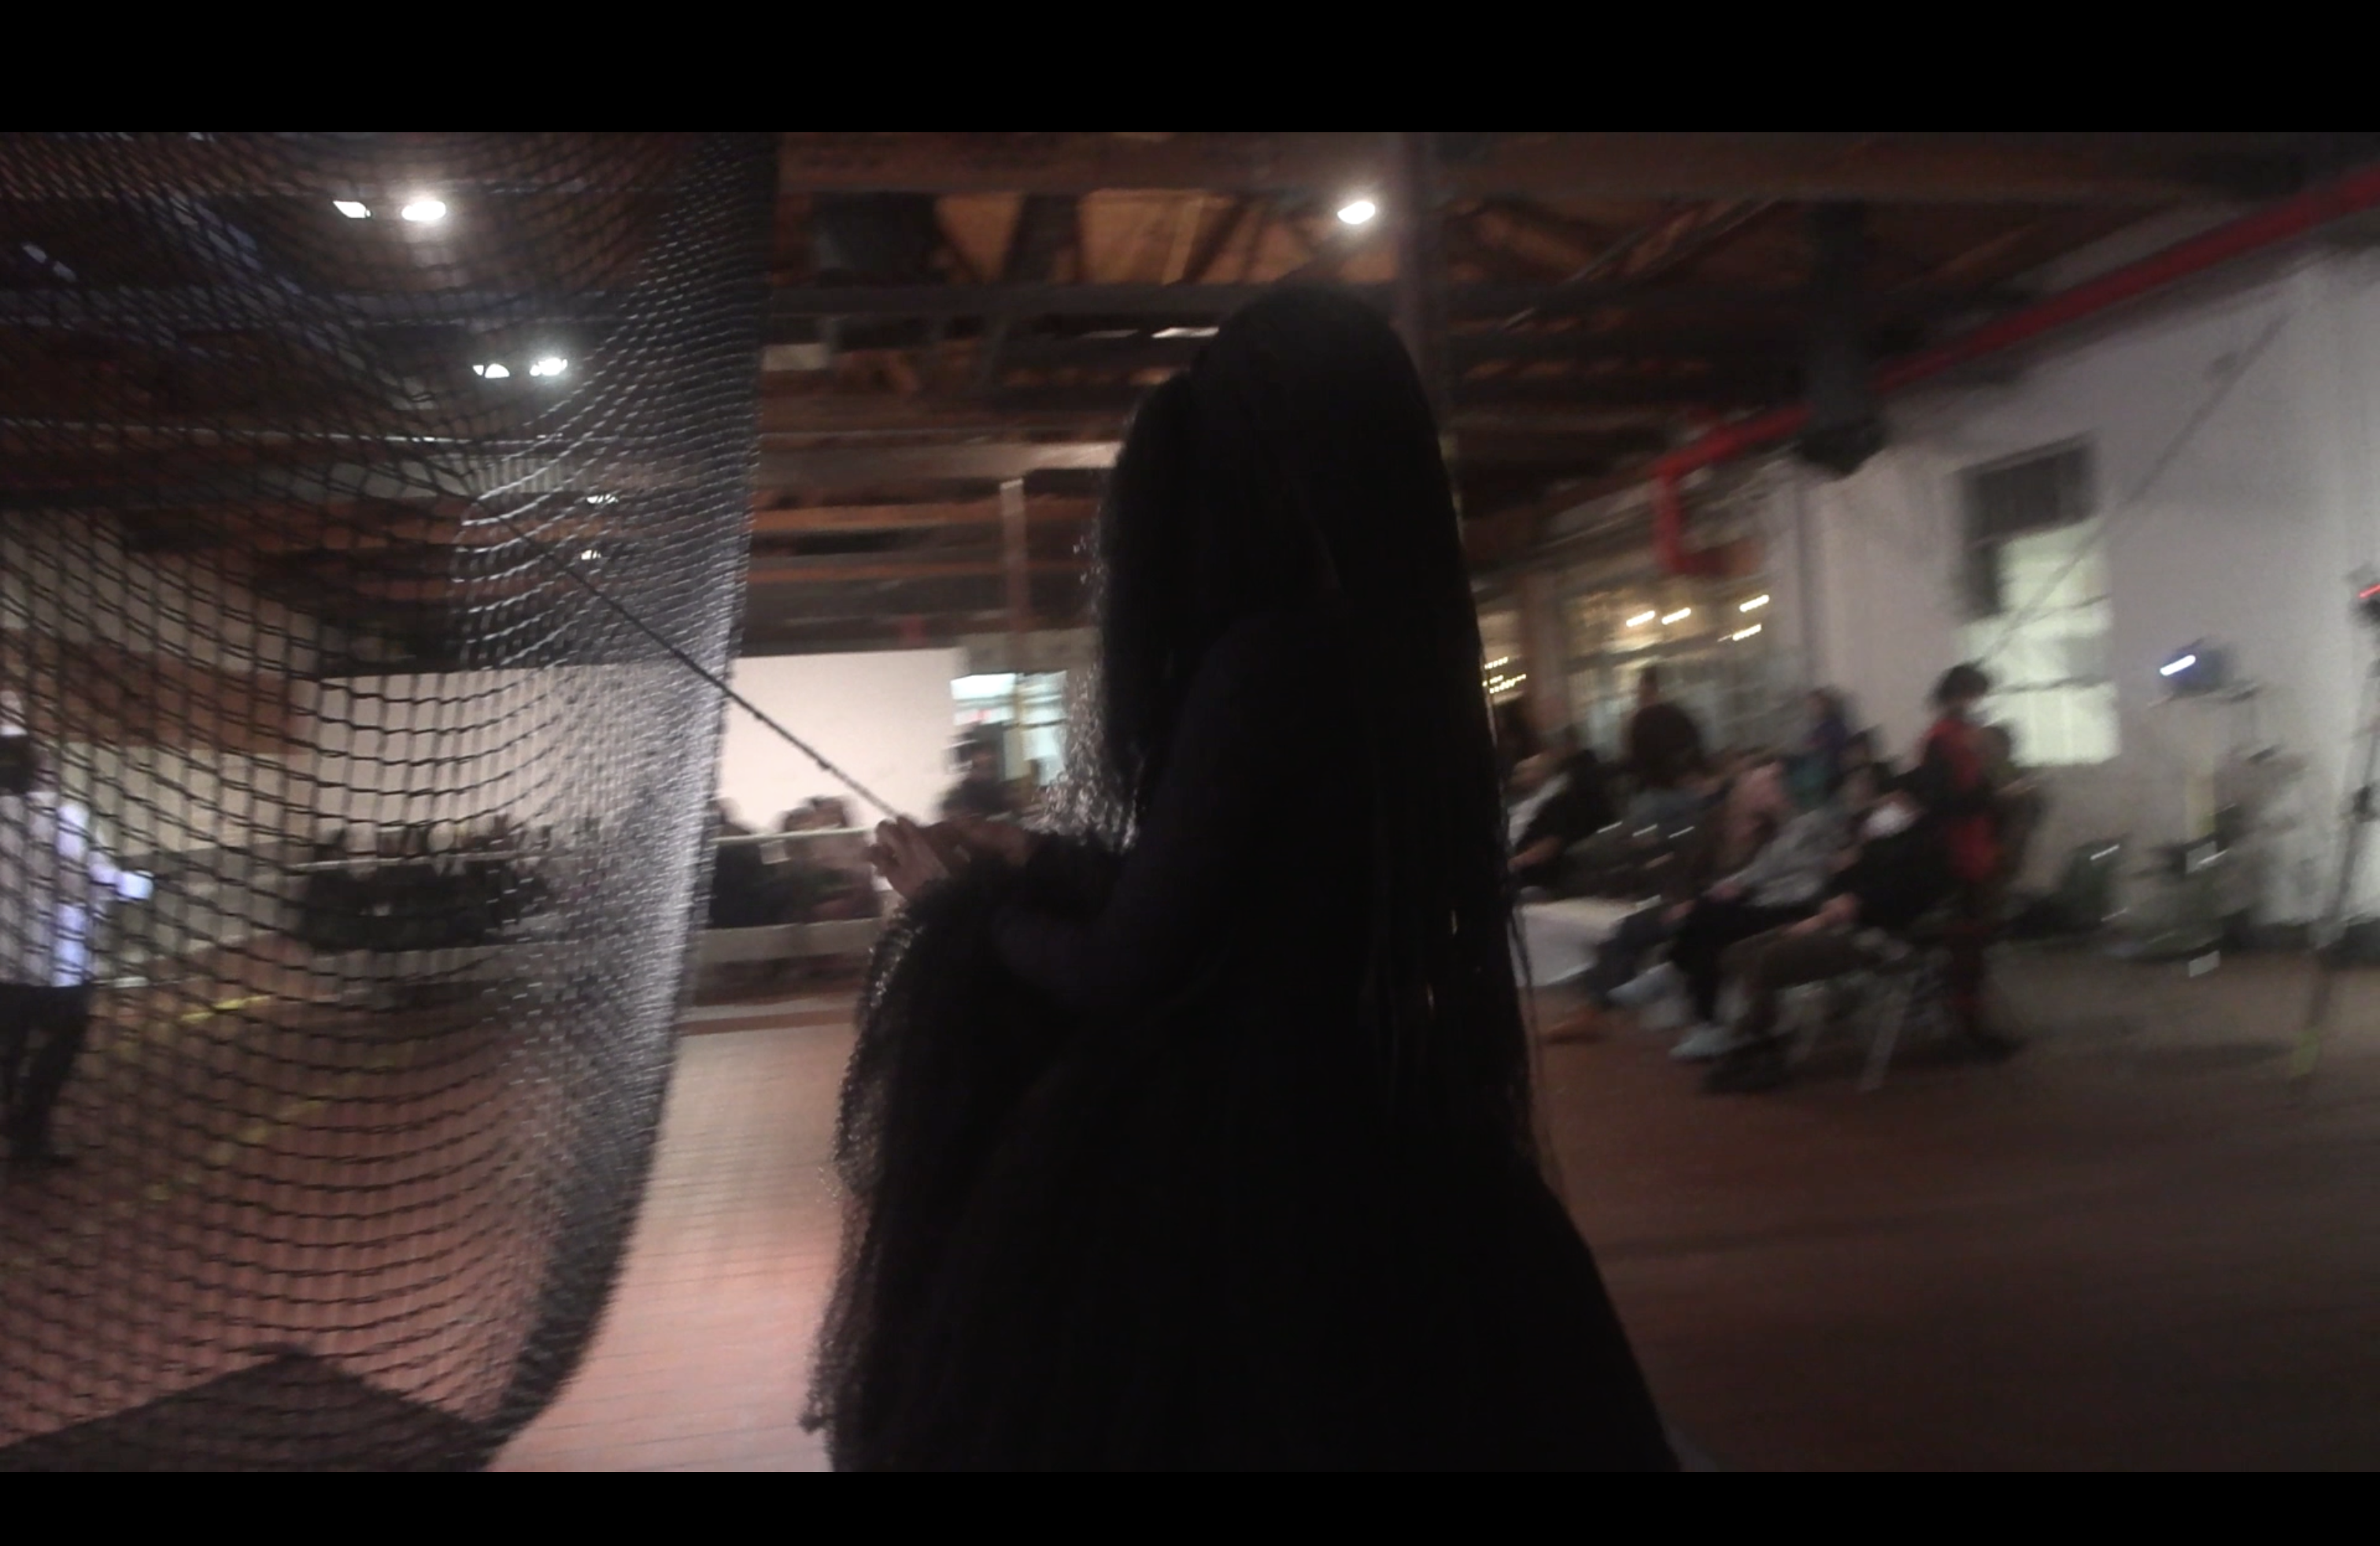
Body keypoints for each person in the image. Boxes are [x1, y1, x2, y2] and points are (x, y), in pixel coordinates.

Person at [818, 289, 1674, 1471]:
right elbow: (1257, 897)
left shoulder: (1265, 663)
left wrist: (954, 906)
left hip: (1245, 1169)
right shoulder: (1393, 659)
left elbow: (1128, 967)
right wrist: (1038, 856)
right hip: (1387, 1133)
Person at [1700, 772, 1955, 1094]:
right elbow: (1839, 884)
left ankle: (1761, 1049)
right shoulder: (1879, 842)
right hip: (1835, 922)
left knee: (1768, 960)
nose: (1886, 808)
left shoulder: (1929, 851)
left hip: (1874, 937)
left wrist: (1843, 908)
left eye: (1895, 802)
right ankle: (1754, 1038)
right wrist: (1845, 874)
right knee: (1737, 955)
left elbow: (1900, 902)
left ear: (1915, 806)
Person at [1661, 761, 1880, 1060]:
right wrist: (1729, 887)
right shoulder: (1786, 827)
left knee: (1708, 917)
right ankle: (1703, 1013)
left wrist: (1733, 886)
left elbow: (1817, 863)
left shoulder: (1810, 823)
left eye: (1767, 788)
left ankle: (1690, 993)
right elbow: (1764, 868)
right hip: (1776, 900)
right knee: (1707, 916)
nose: (1761, 795)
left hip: (1801, 905)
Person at [0, 738, 150, 1168]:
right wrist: (141, 884)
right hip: (55, 965)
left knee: (8, 1048)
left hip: (3, 965)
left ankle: (17, 1120)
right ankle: (29, 1132)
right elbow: (87, 880)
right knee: (60, 1044)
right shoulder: (60, 817)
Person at [1909, 664, 2017, 1054]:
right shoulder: (1941, 740)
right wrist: (1992, 797)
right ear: (1957, 695)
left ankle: (1972, 1024)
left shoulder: (1963, 737)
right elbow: (1940, 804)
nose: (1978, 703)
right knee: (1966, 946)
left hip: (1975, 851)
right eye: (1975, 695)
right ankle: (1967, 1028)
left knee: (1975, 945)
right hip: (1957, 856)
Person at [1623, 667, 1706, 828]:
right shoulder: (1682, 716)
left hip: (1653, 797)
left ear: (1647, 688)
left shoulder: (1640, 721)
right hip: (1686, 793)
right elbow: (1696, 752)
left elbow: (1634, 762)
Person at [940, 740, 1018, 822]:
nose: (988, 758)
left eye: (991, 766)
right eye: (980, 767)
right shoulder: (959, 796)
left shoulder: (1002, 792)